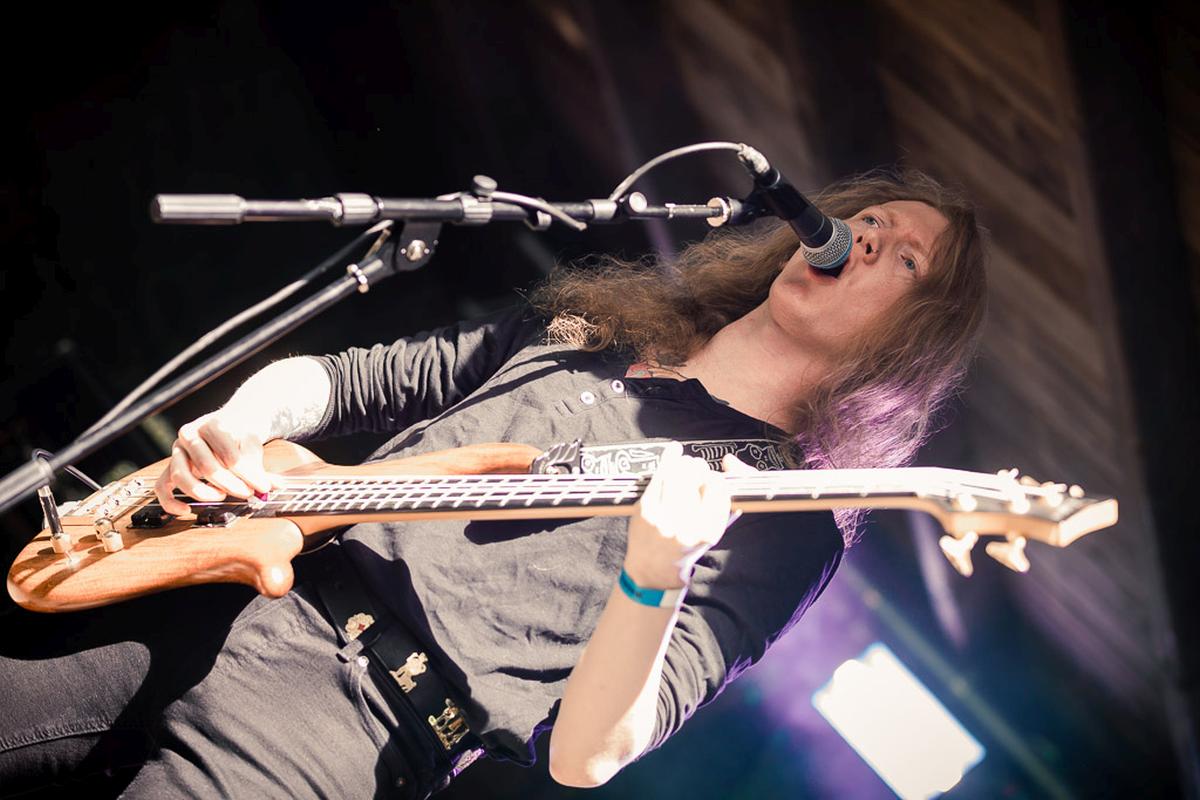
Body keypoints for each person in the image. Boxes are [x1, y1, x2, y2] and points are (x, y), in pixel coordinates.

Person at [0, 169, 985, 798]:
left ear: (907, 346)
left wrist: (657, 572)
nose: (861, 238)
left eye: (903, 257)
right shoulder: (592, 331)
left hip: (352, 717)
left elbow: (591, 753)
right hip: (226, 589)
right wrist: (241, 424)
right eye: (867, 219)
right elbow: (344, 380)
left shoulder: (787, 519)